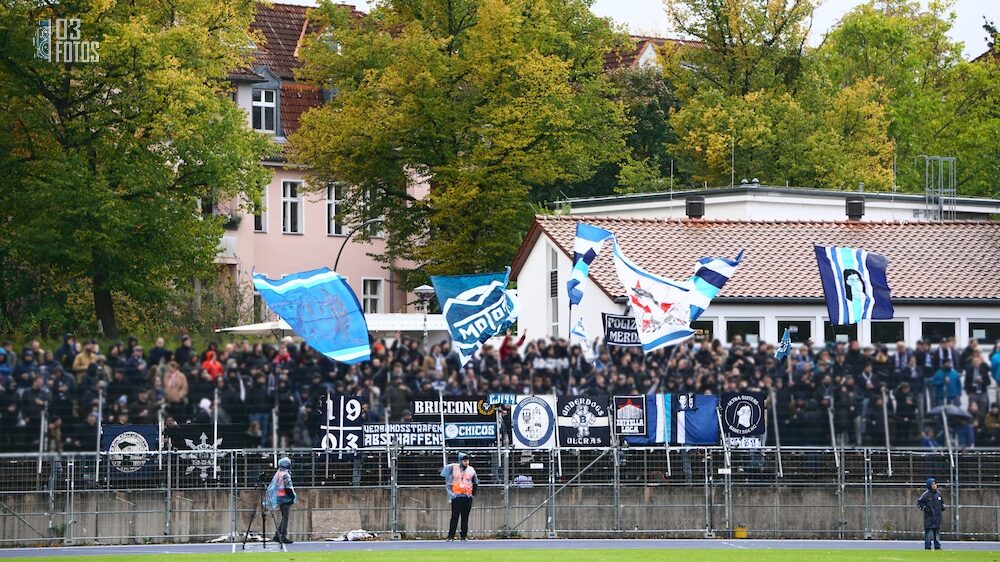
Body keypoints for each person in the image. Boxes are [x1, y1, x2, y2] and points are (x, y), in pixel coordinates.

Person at [440, 451, 478, 541]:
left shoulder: (471, 470)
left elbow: (475, 482)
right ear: (460, 461)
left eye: (467, 461)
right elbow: (449, 482)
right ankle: (451, 536)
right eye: (465, 461)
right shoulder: (454, 469)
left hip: (467, 496)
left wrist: (472, 494)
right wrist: (451, 495)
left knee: (465, 517)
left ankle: (463, 536)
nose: (466, 462)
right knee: (454, 517)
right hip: (456, 496)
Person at [264, 456, 297, 544]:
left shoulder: (279, 473)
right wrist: (292, 497)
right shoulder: (285, 474)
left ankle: (277, 535)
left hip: (280, 496)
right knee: (285, 518)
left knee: (283, 517)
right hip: (286, 497)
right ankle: (282, 536)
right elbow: (288, 487)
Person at [917, 477, 946, 550]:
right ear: (929, 485)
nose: (935, 485)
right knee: (928, 533)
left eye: (935, 484)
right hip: (929, 517)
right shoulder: (926, 495)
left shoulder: (938, 494)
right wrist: (925, 508)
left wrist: (942, 507)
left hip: (937, 517)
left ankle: (937, 546)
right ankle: (928, 546)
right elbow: (919, 503)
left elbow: (942, 503)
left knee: (937, 533)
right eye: (933, 484)